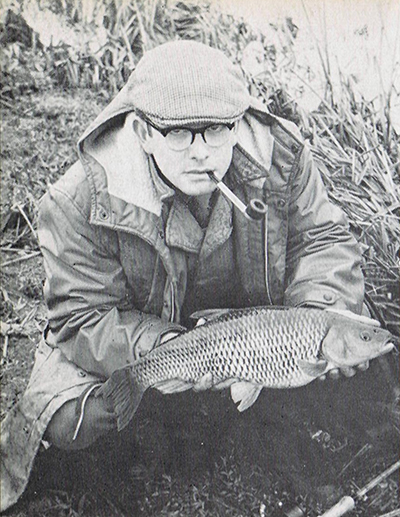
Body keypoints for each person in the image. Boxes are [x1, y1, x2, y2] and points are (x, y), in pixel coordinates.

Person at [0, 40, 367, 511]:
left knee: (361, 341)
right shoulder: (78, 200)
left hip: (258, 335)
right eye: (178, 134)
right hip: (154, 340)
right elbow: (81, 317)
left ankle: (280, 435)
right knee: (77, 415)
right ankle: (135, 457)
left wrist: (316, 316)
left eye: (217, 130)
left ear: (237, 124)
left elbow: (323, 239)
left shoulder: (280, 154)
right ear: (143, 132)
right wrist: (168, 349)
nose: (201, 153)